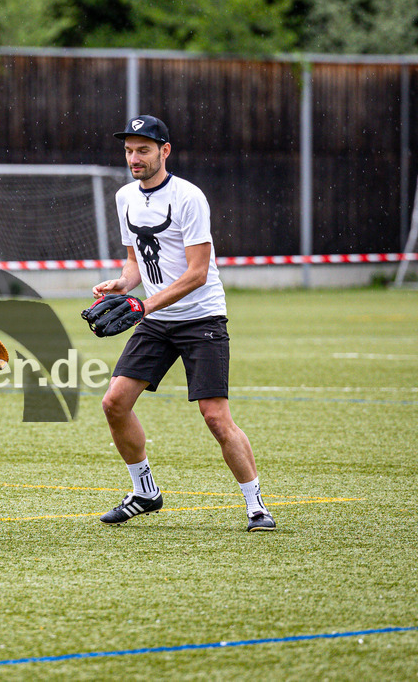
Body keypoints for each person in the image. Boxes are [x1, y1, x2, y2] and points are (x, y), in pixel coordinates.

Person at [91, 115, 276, 532]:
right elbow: (135, 261)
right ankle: (145, 492)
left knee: (215, 417)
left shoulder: (189, 197)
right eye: (129, 150)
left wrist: (144, 305)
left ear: (165, 151)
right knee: (114, 403)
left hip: (201, 317)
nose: (134, 158)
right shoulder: (125, 197)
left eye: (143, 150)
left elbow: (197, 273)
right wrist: (122, 283)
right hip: (157, 318)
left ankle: (256, 506)